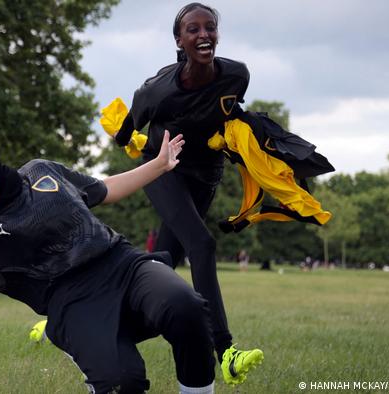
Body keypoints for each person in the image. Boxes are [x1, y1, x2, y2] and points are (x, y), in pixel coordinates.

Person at [0, 132, 223, 394]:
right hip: (72, 302)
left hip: (121, 265)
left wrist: (158, 166)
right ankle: (72, 338)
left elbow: (103, 189)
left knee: (185, 306)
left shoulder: (41, 171)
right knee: (120, 382)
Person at [106, 3, 264, 385]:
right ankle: (226, 350)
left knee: (163, 262)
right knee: (202, 245)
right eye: (193, 30)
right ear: (179, 40)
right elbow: (125, 132)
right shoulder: (156, 90)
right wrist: (134, 142)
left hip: (206, 174)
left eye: (210, 28)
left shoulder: (237, 74)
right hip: (162, 167)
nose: (203, 35)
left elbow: (229, 112)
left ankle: (97, 321)